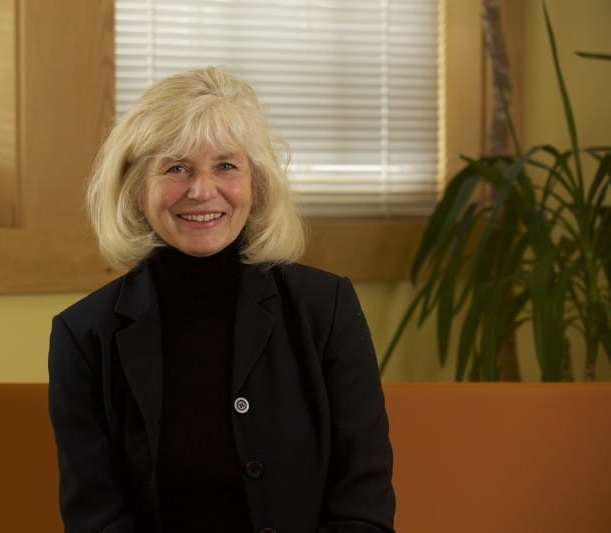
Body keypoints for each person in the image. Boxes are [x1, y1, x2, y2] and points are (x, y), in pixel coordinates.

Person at [48, 66, 395, 533]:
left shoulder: (326, 308)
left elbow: (363, 507)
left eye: (226, 166)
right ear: (136, 188)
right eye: (176, 168)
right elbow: (96, 518)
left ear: (256, 181)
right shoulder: (83, 335)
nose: (201, 190)